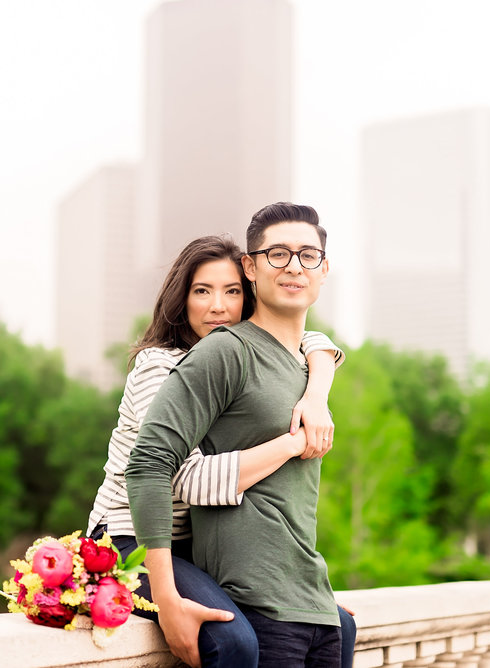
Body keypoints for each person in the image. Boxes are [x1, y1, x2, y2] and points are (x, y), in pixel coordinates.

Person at [85, 234, 355, 667]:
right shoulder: (161, 365)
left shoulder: (242, 358)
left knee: (332, 625)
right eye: (201, 291)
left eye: (232, 292)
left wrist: (317, 396)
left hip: (200, 549)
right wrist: (294, 443)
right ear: (181, 299)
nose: (218, 306)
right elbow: (186, 480)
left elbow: (313, 338)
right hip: (127, 540)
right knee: (233, 644)